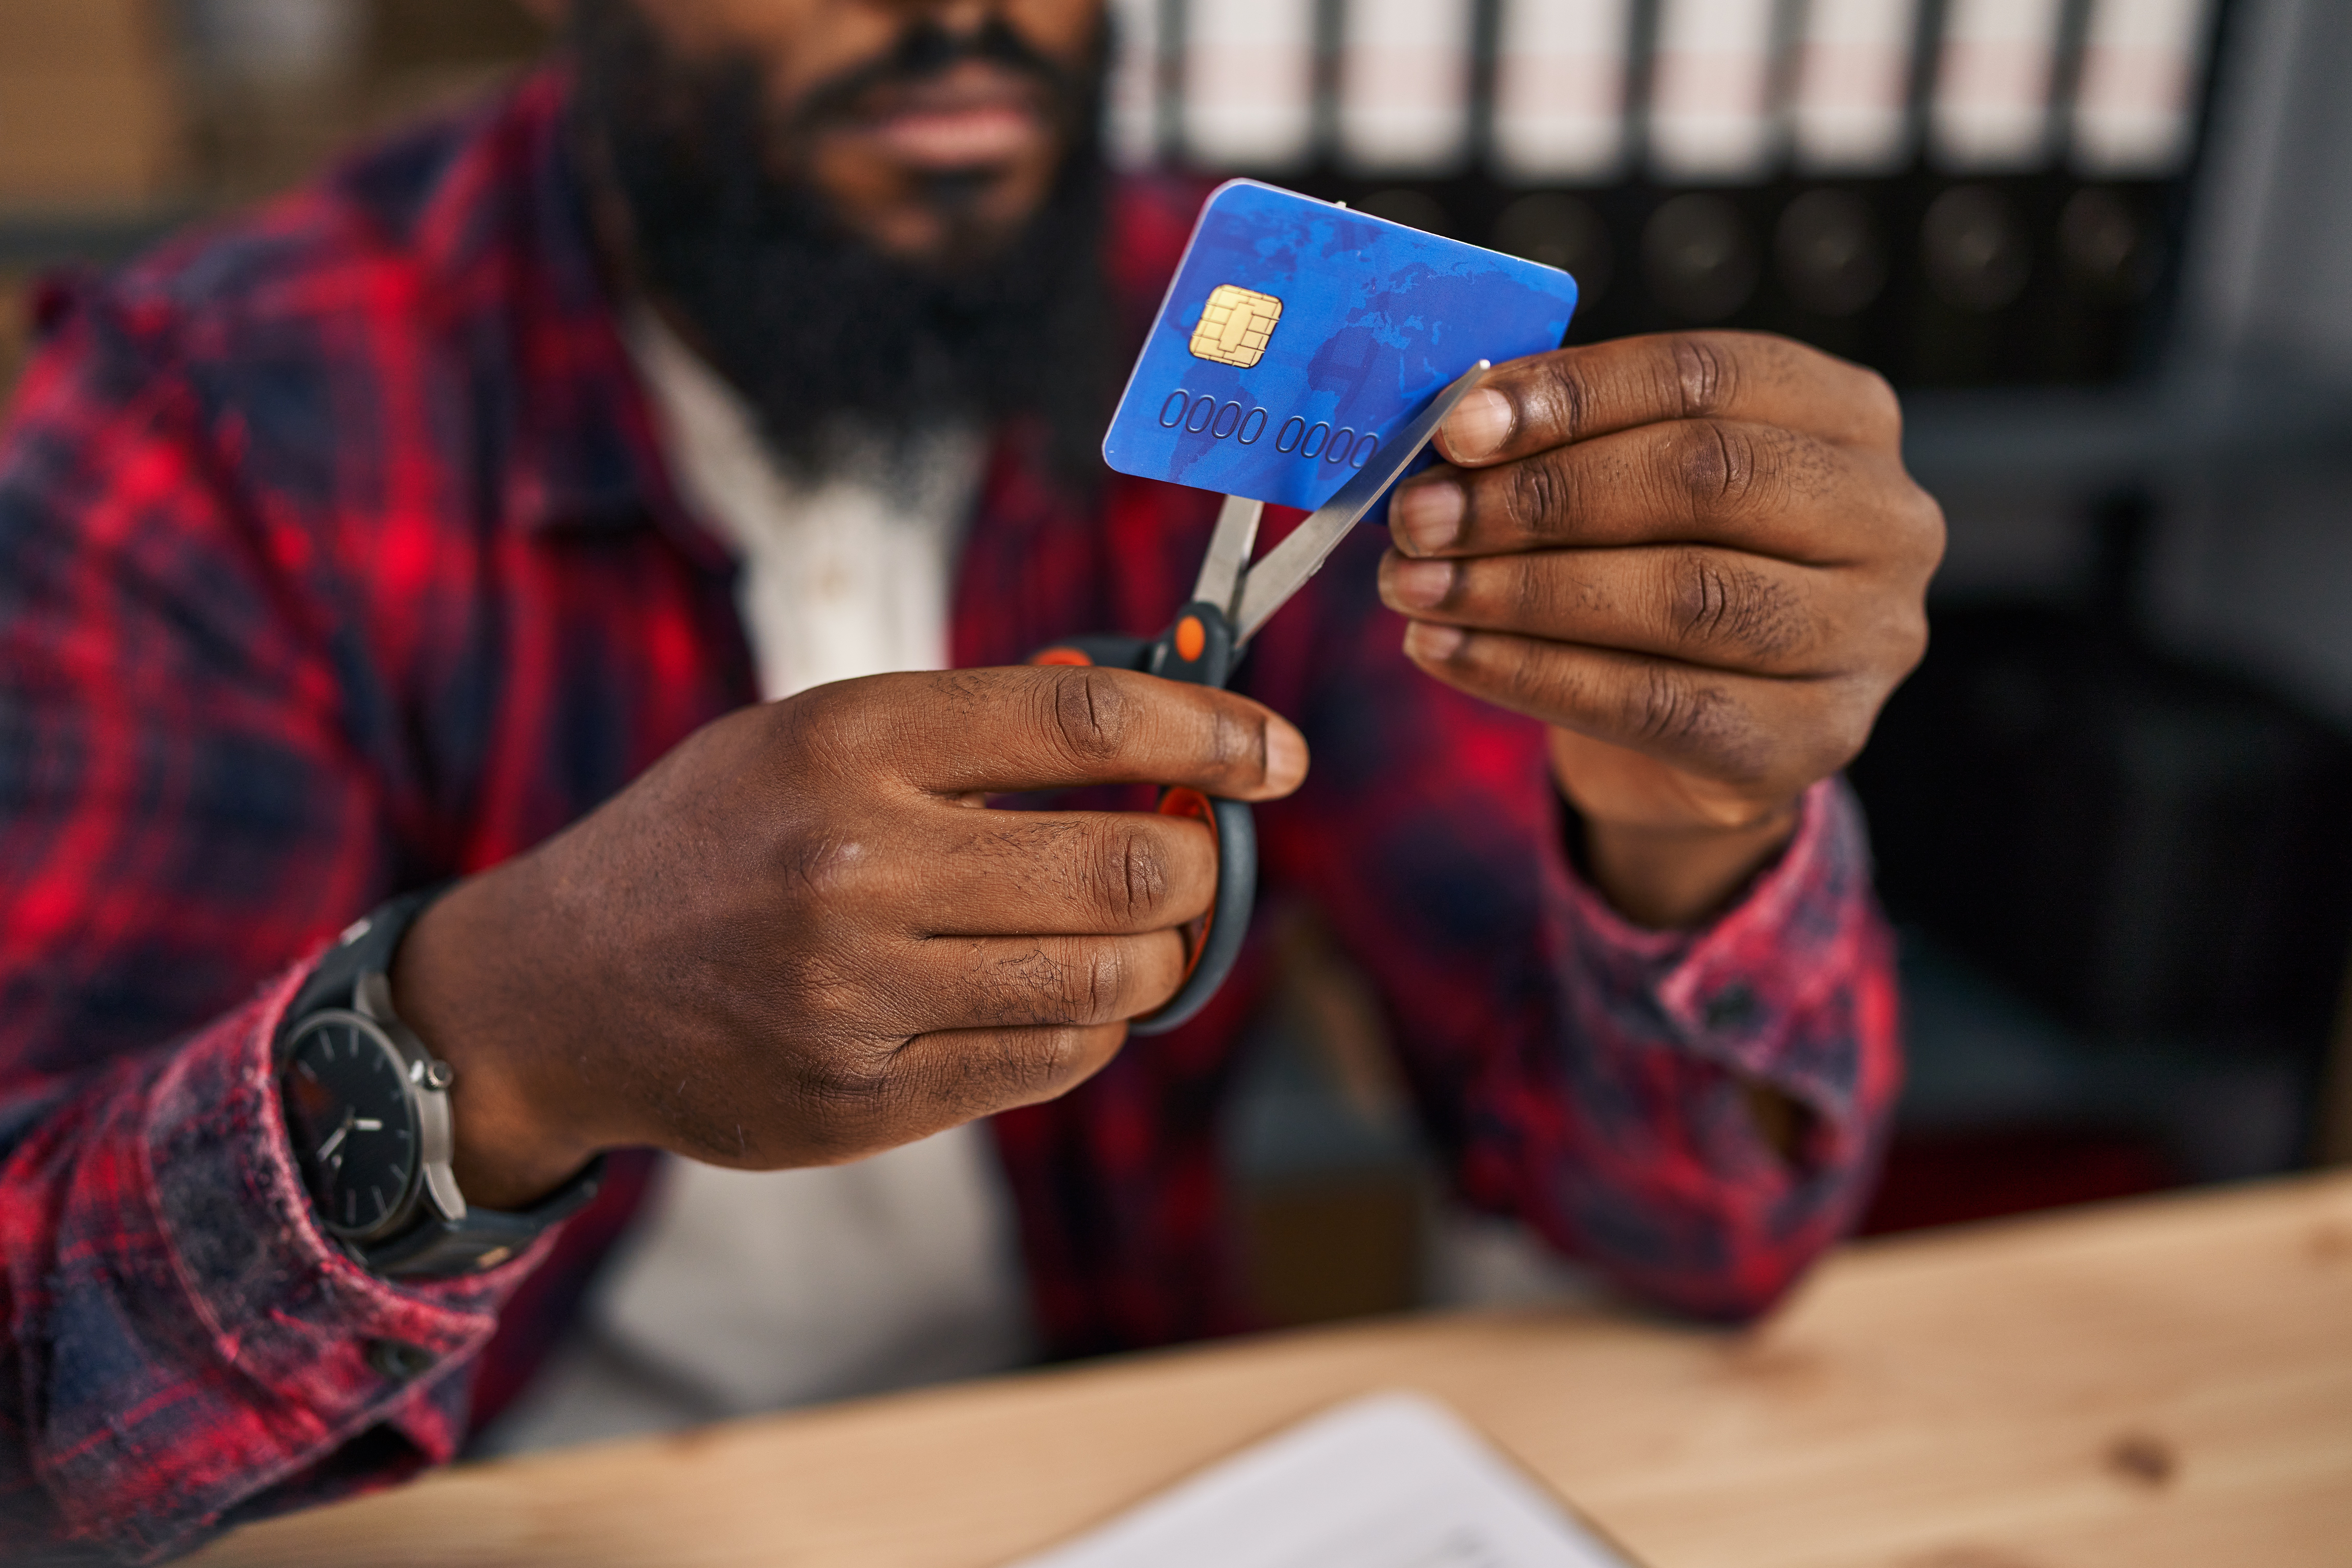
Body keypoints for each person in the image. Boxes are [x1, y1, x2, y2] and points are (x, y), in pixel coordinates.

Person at [0, 0, 1939, 1557]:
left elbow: (1706, 1235)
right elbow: (40, 1410)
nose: (962, 19)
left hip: (1106, 1476)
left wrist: (1688, 829)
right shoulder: (213, 422)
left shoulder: (1287, 359)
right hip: (474, 1507)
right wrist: (485, 1040)